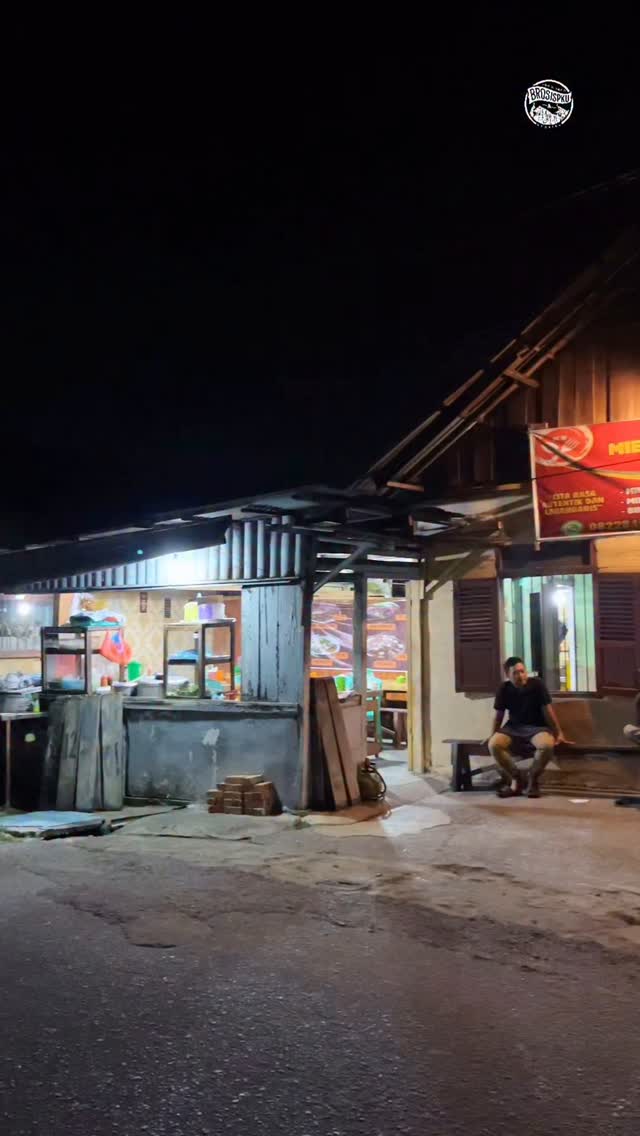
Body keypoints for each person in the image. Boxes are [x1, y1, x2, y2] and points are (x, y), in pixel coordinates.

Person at [489, 656, 569, 799]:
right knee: (494, 745)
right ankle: (516, 778)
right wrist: (492, 734)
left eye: (522, 671)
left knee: (546, 745)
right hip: (513, 728)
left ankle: (532, 778)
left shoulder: (537, 685)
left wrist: (559, 733)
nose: (520, 676)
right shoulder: (504, 688)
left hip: (537, 728)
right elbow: (499, 715)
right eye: (515, 673)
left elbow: (548, 711)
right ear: (508, 675)